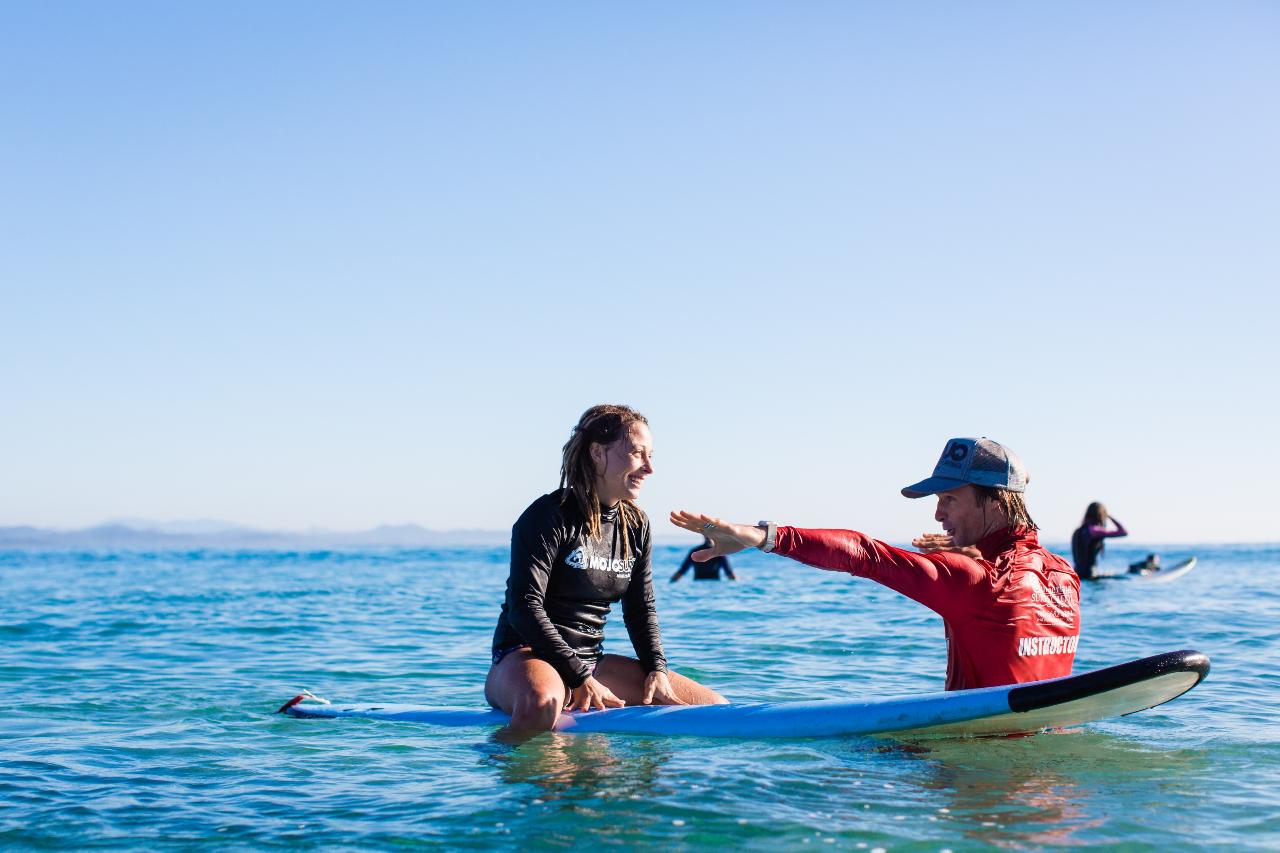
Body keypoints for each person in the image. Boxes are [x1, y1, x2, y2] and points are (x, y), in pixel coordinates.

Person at [671, 437, 1081, 691]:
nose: (939, 516)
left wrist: (763, 535)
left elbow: (866, 554)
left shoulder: (977, 581)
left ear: (995, 499)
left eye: (949, 499)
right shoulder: (1064, 576)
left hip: (968, 767)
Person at [486, 404, 727, 732]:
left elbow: (641, 609)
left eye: (652, 455)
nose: (649, 468)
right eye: (638, 453)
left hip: (590, 660)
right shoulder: (549, 515)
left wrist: (656, 668)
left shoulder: (636, 524)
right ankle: (500, 768)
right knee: (541, 705)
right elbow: (524, 607)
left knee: (713, 709)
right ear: (597, 452)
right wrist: (579, 677)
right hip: (527, 655)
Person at [1070, 502, 1128, 580]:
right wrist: (1109, 516)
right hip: (1089, 574)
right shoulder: (1095, 530)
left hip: (1077, 574)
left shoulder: (1078, 531)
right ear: (1100, 515)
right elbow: (1123, 532)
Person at [670, 537, 737, 582]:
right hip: (715, 585)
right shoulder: (719, 552)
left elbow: (682, 571)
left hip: (698, 585)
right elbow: (730, 574)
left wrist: (670, 584)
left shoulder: (695, 551)